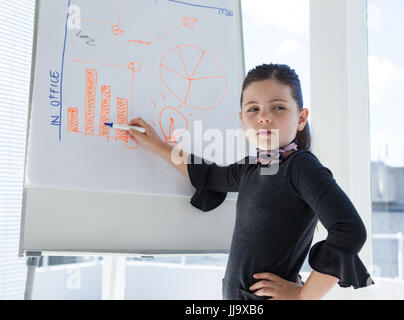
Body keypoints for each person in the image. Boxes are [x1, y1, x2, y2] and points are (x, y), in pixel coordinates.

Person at [127, 63, 374, 300]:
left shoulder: (300, 167)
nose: (263, 117)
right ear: (242, 119)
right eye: (253, 109)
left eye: (277, 107)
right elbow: (208, 174)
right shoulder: (252, 168)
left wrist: (303, 295)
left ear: (301, 118)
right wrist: (157, 144)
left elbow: (350, 231)